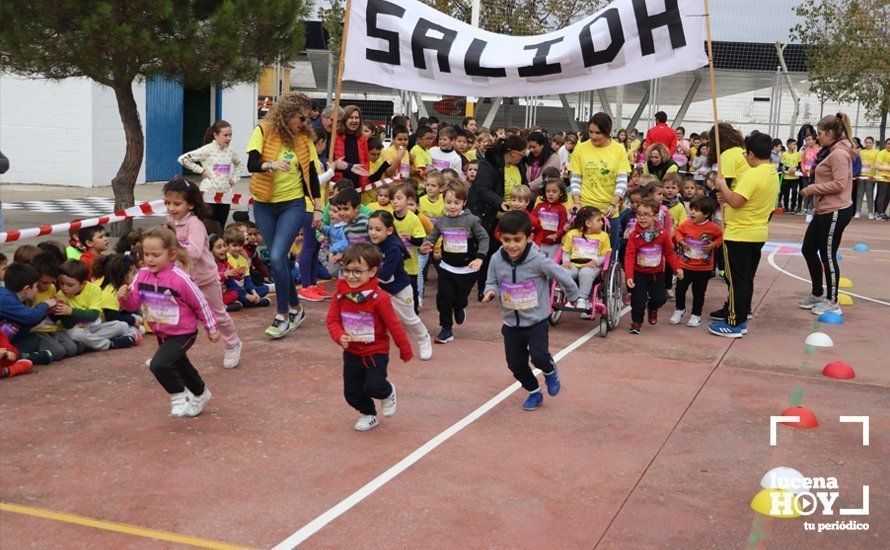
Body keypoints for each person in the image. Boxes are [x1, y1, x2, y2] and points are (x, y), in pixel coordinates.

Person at [482, 211, 579, 411]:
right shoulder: (496, 259)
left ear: (529, 238)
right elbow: (491, 281)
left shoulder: (538, 260)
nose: (511, 245)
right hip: (511, 324)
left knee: (539, 357)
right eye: (506, 240)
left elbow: (562, 275)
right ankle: (534, 391)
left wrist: (573, 296)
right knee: (516, 365)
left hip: (536, 321)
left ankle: (550, 371)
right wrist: (490, 291)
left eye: (517, 240)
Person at [118, 227, 219, 418]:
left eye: (156, 255)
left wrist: (211, 327)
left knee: (159, 364)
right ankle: (200, 393)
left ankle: (179, 394)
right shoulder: (141, 275)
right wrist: (124, 298)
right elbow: (133, 305)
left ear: (171, 255)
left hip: (183, 332)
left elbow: (200, 302)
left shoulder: (180, 278)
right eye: (146, 254)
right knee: (181, 365)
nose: (149, 259)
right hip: (162, 331)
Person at [246, 92, 320, 339]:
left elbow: (311, 175)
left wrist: (317, 208)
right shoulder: (263, 130)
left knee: (277, 255)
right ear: (288, 113)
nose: (305, 123)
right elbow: (252, 164)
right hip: (264, 204)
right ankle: (297, 309)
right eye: (302, 117)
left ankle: (282, 315)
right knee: (278, 262)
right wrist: (270, 165)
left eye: (308, 118)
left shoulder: (304, 139)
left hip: (293, 204)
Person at [325, 243, 413, 432]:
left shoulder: (379, 297)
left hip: (376, 351)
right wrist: (339, 336)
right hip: (352, 352)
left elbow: (394, 325)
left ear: (372, 272)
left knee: (374, 386)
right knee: (351, 392)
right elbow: (332, 320)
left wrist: (405, 349)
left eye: (358, 271)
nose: (351, 276)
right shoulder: (340, 295)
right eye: (347, 270)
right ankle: (369, 414)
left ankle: (387, 391)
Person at [163, 178, 243, 368]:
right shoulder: (169, 221)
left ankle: (233, 344)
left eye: (177, 204)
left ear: (191, 204)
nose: (172, 208)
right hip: (182, 280)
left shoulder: (195, 224)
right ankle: (168, 354)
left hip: (205, 279)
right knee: (173, 317)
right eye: (168, 203)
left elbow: (195, 253)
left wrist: (172, 246)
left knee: (218, 315)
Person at [708, 132, 780, 338]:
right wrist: (727, 195)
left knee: (736, 279)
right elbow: (739, 199)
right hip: (757, 232)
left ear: (751, 154)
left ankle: (735, 322)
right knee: (746, 278)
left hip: (740, 233)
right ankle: (741, 314)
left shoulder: (753, 174)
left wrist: (723, 187)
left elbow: (737, 201)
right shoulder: (772, 173)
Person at [797, 114, 856, 316]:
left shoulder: (839, 154)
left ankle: (833, 301)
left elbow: (840, 183)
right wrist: (818, 203)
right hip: (824, 209)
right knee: (808, 249)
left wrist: (813, 189)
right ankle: (818, 293)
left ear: (830, 133)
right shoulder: (830, 151)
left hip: (835, 211)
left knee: (827, 255)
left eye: (820, 133)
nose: (817, 137)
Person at [420, 181, 489, 345]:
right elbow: (432, 236)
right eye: (448, 202)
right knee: (443, 299)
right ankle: (446, 329)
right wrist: (426, 244)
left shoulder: (471, 220)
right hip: (446, 267)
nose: (452, 206)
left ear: (464, 202)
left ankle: (459, 307)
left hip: (467, 269)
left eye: (456, 203)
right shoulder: (442, 221)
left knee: (459, 299)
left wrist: (479, 257)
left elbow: (484, 238)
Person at [468, 134, 528, 299]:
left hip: (512, 218)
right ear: (513, 152)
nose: (524, 157)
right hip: (490, 216)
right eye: (522, 154)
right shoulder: (490, 164)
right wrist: (500, 202)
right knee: (488, 254)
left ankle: (507, 287)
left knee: (510, 254)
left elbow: (524, 186)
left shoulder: (520, 166)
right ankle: (484, 287)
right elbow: (483, 189)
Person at [569, 113, 629, 247]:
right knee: (581, 250)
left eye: (598, 133)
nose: (594, 136)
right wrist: (577, 202)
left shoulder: (619, 149)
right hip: (585, 209)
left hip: (608, 211)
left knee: (608, 251)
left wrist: (613, 204)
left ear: (607, 132)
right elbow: (576, 179)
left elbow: (622, 181)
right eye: (590, 132)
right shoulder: (580, 148)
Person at [624, 199, 683, 334]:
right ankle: (637, 322)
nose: (642, 218)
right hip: (639, 273)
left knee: (660, 298)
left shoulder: (662, 234)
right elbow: (629, 256)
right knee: (638, 300)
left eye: (646, 215)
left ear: (656, 216)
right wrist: (629, 276)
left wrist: (677, 268)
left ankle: (652, 308)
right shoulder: (634, 235)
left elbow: (669, 253)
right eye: (639, 214)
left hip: (657, 273)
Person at [54, 260, 140, 351]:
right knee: (75, 334)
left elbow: (93, 315)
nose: (64, 288)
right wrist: (64, 312)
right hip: (75, 330)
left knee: (122, 326)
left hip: (94, 328)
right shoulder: (60, 294)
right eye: (61, 283)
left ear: (83, 283)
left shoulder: (94, 290)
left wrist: (70, 311)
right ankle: (110, 343)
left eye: (70, 285)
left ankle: (89, 343)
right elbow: (67, 325)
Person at [177, 120, 243, 227]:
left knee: (220, 227)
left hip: (225, 195)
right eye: (225, 135)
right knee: (207, 227)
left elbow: (240, 164)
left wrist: (234, 179)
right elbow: (183, 159)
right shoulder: (207, 150)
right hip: (209, 195)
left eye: (230, 135)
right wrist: (200, 170)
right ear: (215, 135)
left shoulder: (230, 151)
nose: (229, 138)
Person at [671, 196, 722, 327]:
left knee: (698, 292)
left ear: (706, 214)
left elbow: (721, 236)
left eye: (696, 210)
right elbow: (678, 232)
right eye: (691, 209)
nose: (692, 212)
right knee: (680, 288)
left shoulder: (712, 227)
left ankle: (696, 315)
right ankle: (680, 309)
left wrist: (713, 245)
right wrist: (681, 241)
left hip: (703, 268)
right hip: (685, 265)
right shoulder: (687, 224)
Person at [561, 207, 611, 318]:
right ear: (588, 223)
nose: (602, 223)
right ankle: (571, 298)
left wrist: (596, 262)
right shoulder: (572, 234)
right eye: (599, 220)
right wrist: (566, 261)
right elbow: (565, 251)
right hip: (573, 263)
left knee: (586, 272)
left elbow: (604, 255)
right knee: (562, 273)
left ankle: (582, 299)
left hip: (592, 265)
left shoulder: (603, 236)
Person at [390, 183, 427, 313]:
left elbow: (421, 240)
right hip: (393, 263)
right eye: (392, 199)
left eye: (399, 198)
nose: (395, 202)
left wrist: (411, 238)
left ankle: (414, 313)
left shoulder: (413, 219)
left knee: (412, 291)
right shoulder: (389, 218)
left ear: (409, 200)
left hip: (410, 265)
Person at [224, 225, 272, 308]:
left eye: (240, 245)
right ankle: (254, 302)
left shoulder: (243, 260)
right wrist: (247, 295)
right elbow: (230, 283)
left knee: (264, 289)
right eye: (234, 245)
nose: (238, 248)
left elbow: (248, 280)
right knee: (235, 293)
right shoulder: (226, 258)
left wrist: (254, 293)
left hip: (244, 289)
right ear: (227, 245)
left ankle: (252, 300)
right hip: (233, 289)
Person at [533, 178, 569, 258]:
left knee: (551, 265)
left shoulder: (561, 209)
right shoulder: (539, 206)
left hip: (555, 244)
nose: (550, 194)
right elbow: (532, 220)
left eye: (554, 191)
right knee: (539, 264)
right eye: (548, 191)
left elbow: (563, 227)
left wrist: (556, 235)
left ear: (561, 193)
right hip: (540, 243)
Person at [799, 132, 821, 215]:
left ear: (815, 140)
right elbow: (802, 161)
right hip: (805, 174)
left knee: (813, 190)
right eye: (806, 140)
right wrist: (803, 169)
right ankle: (804, 208)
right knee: (805, 190)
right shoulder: (806, 150)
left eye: (809, 140)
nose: (807, 141)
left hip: (814, 174)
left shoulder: (819, 150)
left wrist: (813, 171)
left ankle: (811, 208)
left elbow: (819, 162)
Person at [856, 137, 878, 219]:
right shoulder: (861, 152)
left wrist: (875, 175)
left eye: (870, 142)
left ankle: (870, 212)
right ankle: (858, 211)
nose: (868, 144)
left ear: (873, 143)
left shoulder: (876, 152)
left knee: (870, 195)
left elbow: (877, 164)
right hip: (861, 176)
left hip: (870, 177)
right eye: (867, 142)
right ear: (864, 143)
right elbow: (858, 163)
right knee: (859, 194)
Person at [780, 139, 802, 213]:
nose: (795, 146)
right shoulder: (784, 154)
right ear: (788, 145)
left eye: (795, 144)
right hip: (786, 177)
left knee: (794, 192)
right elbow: (782, 165)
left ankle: (793, 207)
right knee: (786, 193)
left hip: (795, 177)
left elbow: (799, 164)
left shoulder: (798, 154)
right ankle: (786, 207)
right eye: (793, 144)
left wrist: (795, 169)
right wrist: (787, 169)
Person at [876, 139, 890, 219]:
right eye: (888, 143)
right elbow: (877, 166)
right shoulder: (881, 153)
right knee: (882, 196)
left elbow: (881, 166)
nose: (889, 145)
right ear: (885, 144)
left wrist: (885, 167)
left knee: (888, 196)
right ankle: (880, 214)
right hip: (882, 178)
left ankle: (883, 213)